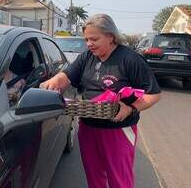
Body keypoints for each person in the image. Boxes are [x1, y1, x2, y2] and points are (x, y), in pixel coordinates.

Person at [40, 14, 161, 188]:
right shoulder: (86, 57)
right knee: (94, 178)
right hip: (88, 127)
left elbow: (153, 95)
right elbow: (66, 76)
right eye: (86, 39)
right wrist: (53, 82)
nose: (89, 44)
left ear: (111, 36)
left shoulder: (130, 59)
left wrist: (130, 108)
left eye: (94, 39)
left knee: (120, 180)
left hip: (118, 130)